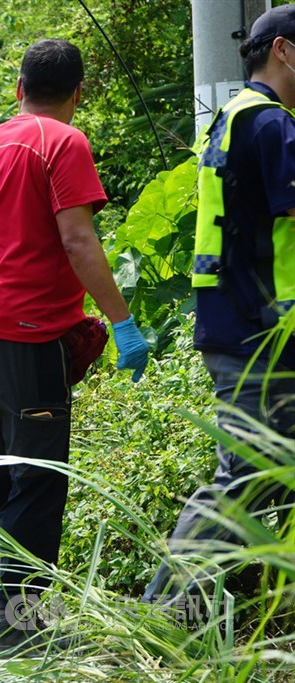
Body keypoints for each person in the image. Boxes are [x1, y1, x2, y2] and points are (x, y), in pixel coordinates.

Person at [0, 39, 149, 655]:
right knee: (36, 479)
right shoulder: (64, 142)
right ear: (79, 93)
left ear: (18, 88)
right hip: (25, 336)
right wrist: (121, 321)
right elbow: (78, 241)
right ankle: (18, 628)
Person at [142, 5, 295, 606]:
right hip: (259, 334)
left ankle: (210, 611)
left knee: (261, 475)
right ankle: (161, 612)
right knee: (246, 477)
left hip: (241, 327)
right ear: (284, 50)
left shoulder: (235, 117)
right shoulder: (272, 126)